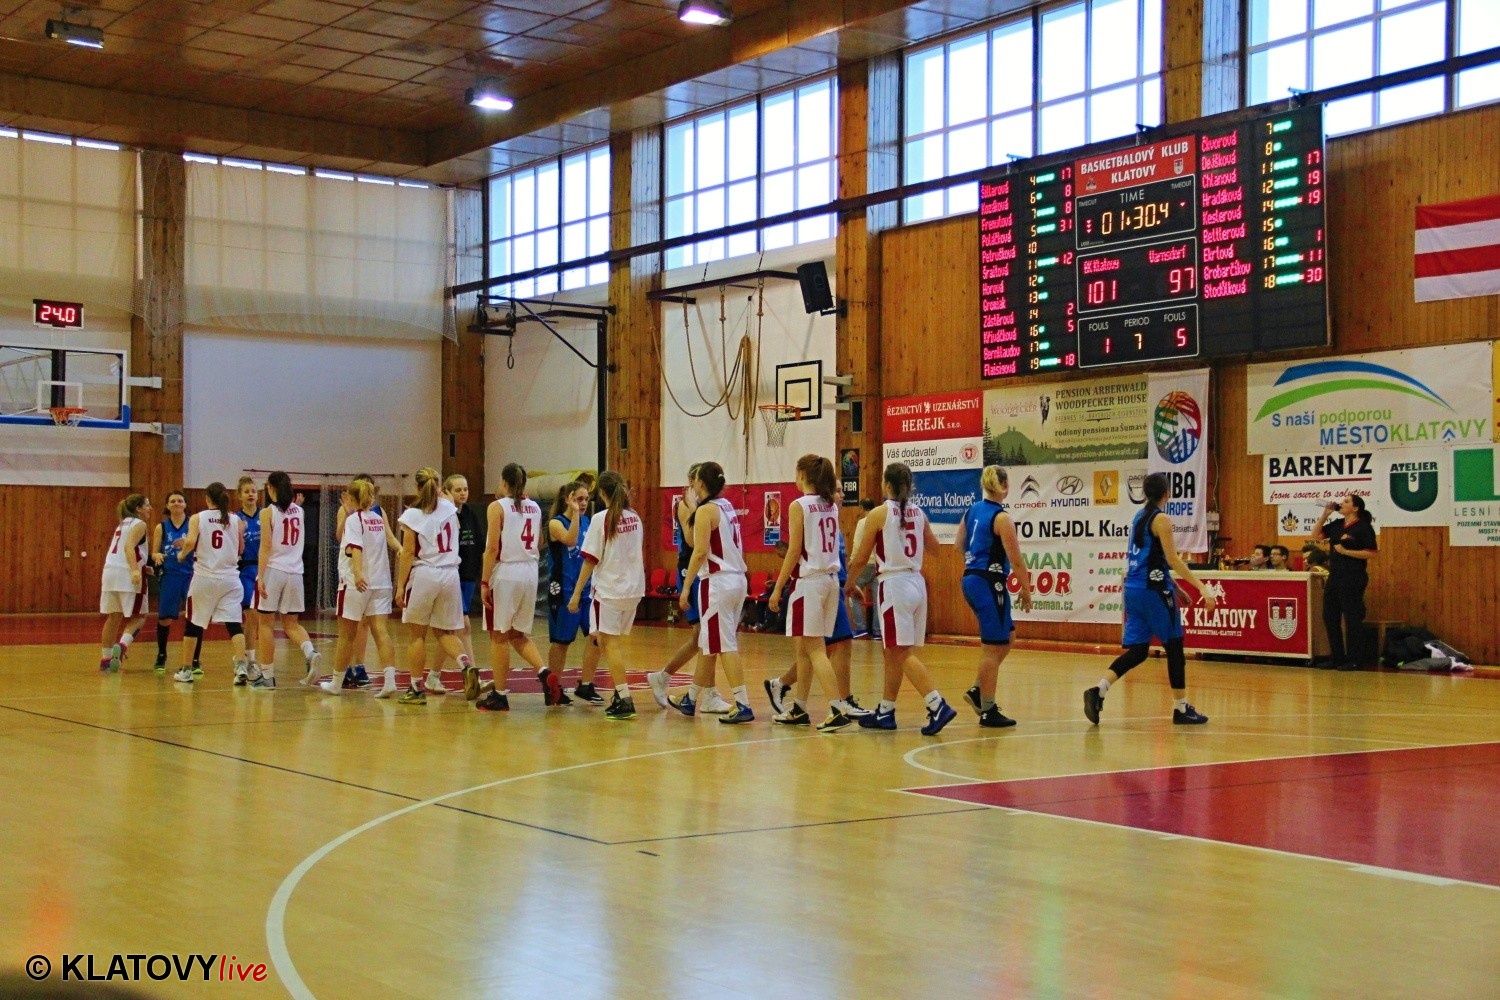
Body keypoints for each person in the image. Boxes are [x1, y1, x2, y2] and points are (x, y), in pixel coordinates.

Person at [1083, 472, 1217, 726]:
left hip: (1134, 589)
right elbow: (1172, 559)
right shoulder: (1161, 519)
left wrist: (1175, 587)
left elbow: (1151, 558)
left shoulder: (1138, 517)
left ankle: (1098, 690)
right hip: (1153, 591)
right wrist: (1202, 588)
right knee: (1174, 647)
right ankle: (1181, 708)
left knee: (1139, 651)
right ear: (1167, 493)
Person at [845, 462, 957, 736]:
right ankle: (886, 710)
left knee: (900, 652)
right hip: (917, 583)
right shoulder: (919, 513)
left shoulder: (879, 514)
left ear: (887, 484)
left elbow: (861, 557)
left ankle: (937, 704)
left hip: (894, 584)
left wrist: (848, 583)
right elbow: (935, 549)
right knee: (893, 652)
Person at [768, 455, 871, 731]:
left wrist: (778, 587)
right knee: (805, 649)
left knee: (815, 650)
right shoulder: (830, 506)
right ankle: (799, 708)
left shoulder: (799, 505)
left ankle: (837, 709)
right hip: (830, 581)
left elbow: (793, 550)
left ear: (803, 475)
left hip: (810, 583)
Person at [475, 463, 568, 710]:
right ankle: (545, 673)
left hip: (506, 573)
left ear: (504, 482)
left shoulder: (497, 507)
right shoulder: (535, 507)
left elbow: (492, 548)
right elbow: (539, 541)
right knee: (517, 634)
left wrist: (484, 582)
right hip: (530, 572)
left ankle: (500, 694)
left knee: (498, 636)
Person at [670, 462, 754, 723]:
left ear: (701, 483)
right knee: (709, 642)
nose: (692, 484)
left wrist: (686, 588)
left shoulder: (706, 510)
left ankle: (743, 703)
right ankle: (691, 697)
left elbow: (699, 551)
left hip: (717, 582)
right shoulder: (726, 505)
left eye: (695, 480)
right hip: (737, 579)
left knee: (724, 644)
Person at [645, 464, 730, 713]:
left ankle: (664, 677)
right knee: (704, 635)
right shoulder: (685, 505)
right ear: (692, 481)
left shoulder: (710, 505)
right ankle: (707, 694)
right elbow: (693, 541)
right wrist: (694, 508)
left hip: (705, 570)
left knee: (701, 638)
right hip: (689, 570)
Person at [394, 467, 477, 704]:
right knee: (444, 632)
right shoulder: (450, 509)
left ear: (417, 487)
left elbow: (408, 552)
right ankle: (466, 664)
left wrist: (400, 586)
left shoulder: (412, 515)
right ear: (439, 486)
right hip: (451, 574)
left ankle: (415, 688)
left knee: (417, 635)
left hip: (425, 574)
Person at [567, 470, 646, 720]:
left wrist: (576, 594)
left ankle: (624, 697)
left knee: (610, 643)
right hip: (633, 589)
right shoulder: (635, 517)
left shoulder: (601, 519)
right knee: (599, 637)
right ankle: (588, 684)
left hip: (610, 590)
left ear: (601, 493)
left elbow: (590, 560)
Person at [959, 465, 1033, 728]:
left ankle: (978, 689)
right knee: (992, 647)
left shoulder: (971, 511)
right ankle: (988, 709)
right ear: (1004, 485)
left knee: (1007, 637)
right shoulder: (1002, 518)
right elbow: (1016, 559)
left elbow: (958, 544)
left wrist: (975, 560)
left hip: (971, 578)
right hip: (988, 581)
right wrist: (1026, 588)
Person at [323, 479, 397, 697]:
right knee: (381, 631)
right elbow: (389, 541)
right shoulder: (378, 518)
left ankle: (336, 683)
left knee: (346, 634)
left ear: (351, 497)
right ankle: (390, 681)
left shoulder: (354, 520)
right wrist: (401, 550)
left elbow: (356, 548)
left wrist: (357, 574)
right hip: (381, 581)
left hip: (357, 583)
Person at [175, 482, 247, 683]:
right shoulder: (236, 520)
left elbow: (191, 542)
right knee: (234, 625)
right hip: (230, 579)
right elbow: (241, 549)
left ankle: (186, 670)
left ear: (207, 499)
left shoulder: (198, 517)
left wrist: (182, 554)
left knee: (193, 623)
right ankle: (241, 667)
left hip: (205, 578)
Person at [253, 471, 319, 689]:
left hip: (274, 570)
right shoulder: (299, 511)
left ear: (271, 488)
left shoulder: (267, 513)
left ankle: (267, 676)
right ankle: (310, 652)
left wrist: (260, 577)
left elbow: (265, 547)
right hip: (295, 572)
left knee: (265, 624)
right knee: (292, 624)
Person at [547, 480, 606, 704]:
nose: (583, 503)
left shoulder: (588, 521)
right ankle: (553, 688)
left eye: (586, 499)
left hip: (586, 590)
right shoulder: (556, 523)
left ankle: (586, 684)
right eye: (578, 499)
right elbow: (570, 540)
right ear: (567, 499)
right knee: (562, 642)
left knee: (596, 637)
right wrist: (573, 514)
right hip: (563, 590)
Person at [1318, 494, 1378, 671]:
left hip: (1353, 577)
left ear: (1355, 508)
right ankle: (1337, 657)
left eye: (1346, 501)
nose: (1341, 503)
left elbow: (1371, 553)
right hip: (1335, 576)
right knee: (1330, 616)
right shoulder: (1337, 524)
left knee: (1352, 618)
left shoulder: (1363, 527)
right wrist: (1325, 515)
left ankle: (1355, 660)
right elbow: (1315, 536)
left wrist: (1345, 552)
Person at [99, 493, 152, 673]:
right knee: (140, 616)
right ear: (138, 508)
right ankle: (122, 646)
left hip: (110, 572)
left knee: (113, 616)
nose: (150, 508)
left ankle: (106, 660)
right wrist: (136, 570)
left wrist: (143, 567)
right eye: (147, 505)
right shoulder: (139, 524)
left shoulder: (122, 524)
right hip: (127, 574)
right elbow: (129, 546)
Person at [151, 490, 196, 674]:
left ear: (185, 504)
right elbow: (154, 552)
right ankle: (162, 654)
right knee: (165, 617)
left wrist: (187, 543)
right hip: (170, 574)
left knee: (195, 617)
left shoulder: (193, 524)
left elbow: (201, 546)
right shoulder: (161, 527)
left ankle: (195, 659)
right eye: (173, 501)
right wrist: (157, 555)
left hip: (191, 574)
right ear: (167, 506)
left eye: (180, 501)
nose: (176, 503)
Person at [451, 473, 483, 674]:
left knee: (451, 629)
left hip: (469, 576)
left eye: (465, 489)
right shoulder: (447, 515)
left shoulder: (471, 514)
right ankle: (472, 671)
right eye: (458, 490)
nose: (463, 493)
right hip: (453, 575)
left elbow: (479, 543)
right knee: (464, 624)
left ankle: (434, 674)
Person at [234, 476, 263, 683]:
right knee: (251, 616)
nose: (251, 494)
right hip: (245, 569)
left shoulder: (265, 515)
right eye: (246, 491)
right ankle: (250, 661)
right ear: (239, 496)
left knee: (258, 619)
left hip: (264, 569)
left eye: (253, 491)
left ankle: (244, 657)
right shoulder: (235, 519)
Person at [850, 498, 879, 638]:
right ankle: (878, 631)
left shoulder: (862, 523)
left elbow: (857, 544)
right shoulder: (879, 520)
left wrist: (852, 561)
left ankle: (861, 629)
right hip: (878, 564)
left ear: (862, 508)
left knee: (854, 595)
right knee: (878, 599)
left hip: (865, 564)